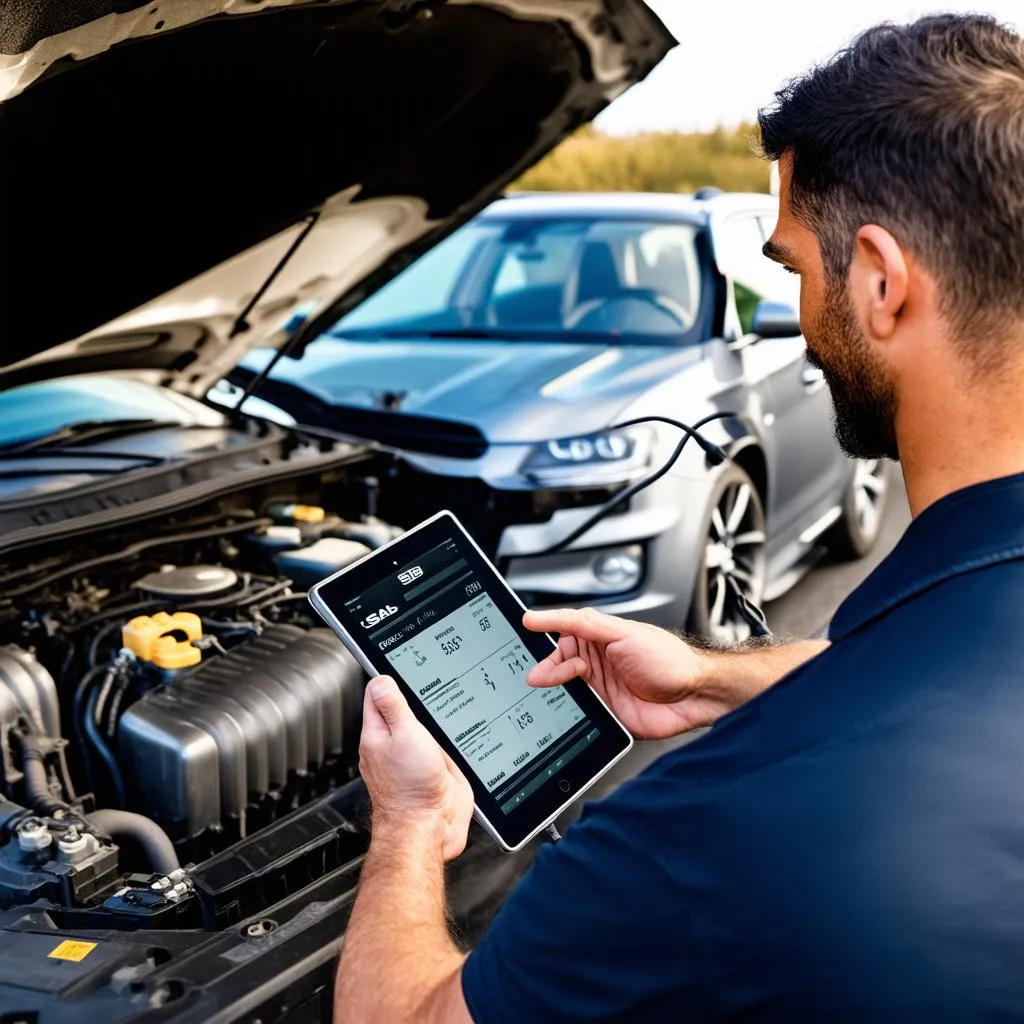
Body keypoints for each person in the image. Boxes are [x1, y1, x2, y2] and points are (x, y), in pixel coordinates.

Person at [335, 14, 1024, 1022]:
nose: (799, 320)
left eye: (794, 270)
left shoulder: (704, 830)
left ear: (879, 281)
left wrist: (408, 822)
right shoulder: (947, 653)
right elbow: (930, 683)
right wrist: (711, 675)